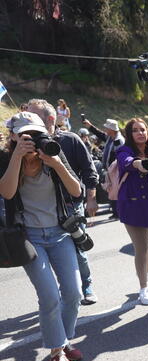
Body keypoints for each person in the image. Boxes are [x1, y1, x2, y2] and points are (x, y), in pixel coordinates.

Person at [0, 112, 83, 361]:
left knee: (74, 293)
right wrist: (16, 157)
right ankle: (57, 352)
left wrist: (57, 163)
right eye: (25, 135)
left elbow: (76, 190)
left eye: (36, 134)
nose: (32, 140)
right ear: (14, 136)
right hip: (30, 237)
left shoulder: (52, 153)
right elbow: (7, 192)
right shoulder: (5, 158)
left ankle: (64, 339)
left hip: (59, 234)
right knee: (49, 296)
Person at [26, 99, 100, 305]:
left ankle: (86, 286)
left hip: (71, 206)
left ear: (50, 119)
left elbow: (89, 170)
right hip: (42, 212)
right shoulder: (26, 145)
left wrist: (91, 198)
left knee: (78, 251)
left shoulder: (70, 139)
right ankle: (63, 292)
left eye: (34, 115)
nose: (30, 120)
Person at [115, 117, 148, 305]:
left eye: (143, 129)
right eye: (136, 130)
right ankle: (143, 288)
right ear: (129, 134)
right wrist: (139, 164)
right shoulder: (124, 150)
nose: (140, 133)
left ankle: (147, 271)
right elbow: (127, 162)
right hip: (134, 205)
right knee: (141, 249)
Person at [84, 117, 124, 219]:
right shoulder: (111, 137)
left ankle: (118, 212)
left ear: (112, 130)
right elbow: (100, 134)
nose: (105, 130)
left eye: (107, 128)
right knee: (111, 190)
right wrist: (90, 126)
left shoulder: (118, 140)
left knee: (115, 191)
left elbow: (120, 157)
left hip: (116, 170)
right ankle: (116, 212)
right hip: (110, 170)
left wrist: (114, 170)